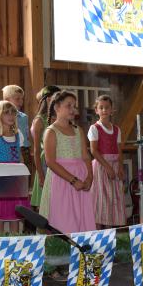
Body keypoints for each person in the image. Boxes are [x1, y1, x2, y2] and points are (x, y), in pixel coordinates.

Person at [41, 91, 95, 234]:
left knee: (81, 218)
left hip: (81, 180)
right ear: (57, 107)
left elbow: (86, 156)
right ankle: (61, 249)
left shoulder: (79, 130)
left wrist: (90, 177)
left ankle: (82, 249)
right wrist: (73, 180)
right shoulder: (51, 132)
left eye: (74, 106)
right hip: (62, 181)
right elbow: (50, 162)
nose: (73, 110)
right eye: (68, 106)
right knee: (63, 219)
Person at [0, 100, 31, 234]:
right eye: (6, 113)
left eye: (13, 113)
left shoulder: (18, 135)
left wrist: (24, 179)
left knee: (15, 216)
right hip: (1, 181)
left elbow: (21, 159)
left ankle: (14, 248)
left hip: (16, 181)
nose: (11, 116)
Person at [88, 95, 126, 229]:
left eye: (107, 107)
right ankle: (97, 233)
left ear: (111, 110)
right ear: (96, 110)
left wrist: (120, 167)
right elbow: (94, 151)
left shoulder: (116, 129)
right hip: (101, 166)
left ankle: (111, 233)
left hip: (115, 165)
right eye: (101, 107)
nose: (104, 110)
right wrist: (108, 167)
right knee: (100, 200)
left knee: (113, 199)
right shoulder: (94, 128)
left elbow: (119, 150)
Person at [30, 85, 61, 213]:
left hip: (60, 161)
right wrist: (41, 175)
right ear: (49, 99)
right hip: (45, 163)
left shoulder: (61, 119)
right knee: (46, 204)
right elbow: (36, 151)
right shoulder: (40, 120)